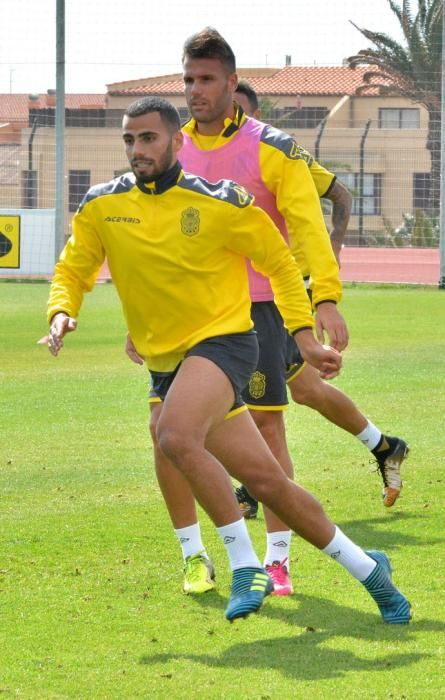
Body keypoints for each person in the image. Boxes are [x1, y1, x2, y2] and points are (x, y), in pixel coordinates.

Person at [43, 96, 410, 625]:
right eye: (129, 139)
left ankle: (243, 563)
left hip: (227, 344)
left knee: (171, 434)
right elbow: (74, 267)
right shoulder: (102, 205)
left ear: (177, 142)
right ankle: (372, 571)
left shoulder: (222, 201)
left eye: (148, 138)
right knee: (267, 482)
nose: (137, 149)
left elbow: (282, 266)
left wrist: (304, 333)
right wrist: (61, 312)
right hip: (167, 358)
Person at [126, 28, 409, 598]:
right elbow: (150, 240)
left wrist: (323, 298)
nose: (195, 90)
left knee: (267, 426)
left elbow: (306, 227)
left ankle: (276, 562)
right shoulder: (170, 146)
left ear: (232, 83)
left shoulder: (273, 147)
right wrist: (143, 323)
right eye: (188, 79)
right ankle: (196, 556)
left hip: (256, 312)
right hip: (190, 316)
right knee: (165, 430)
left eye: (206, 79)